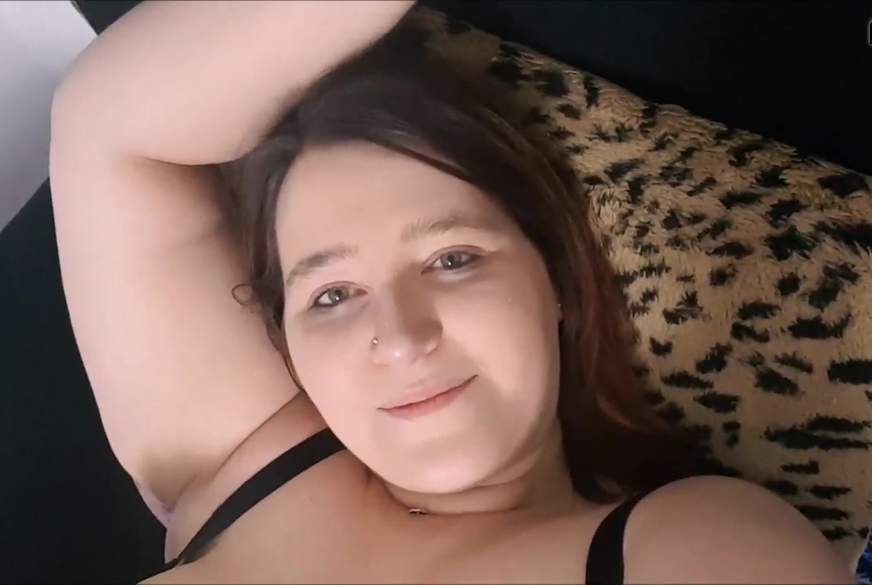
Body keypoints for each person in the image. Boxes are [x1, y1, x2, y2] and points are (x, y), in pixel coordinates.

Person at [49, 1, 854, 583]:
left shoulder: (686, 545)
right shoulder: (240, 457)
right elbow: (106, 120)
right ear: (285, 336)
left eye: (452, 258)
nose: (402, 339)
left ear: (555, 279)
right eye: (331, 295)